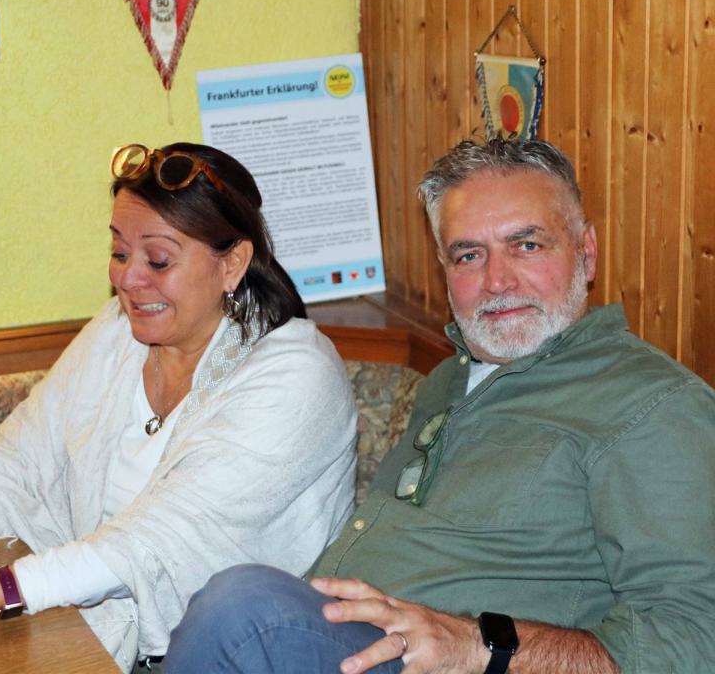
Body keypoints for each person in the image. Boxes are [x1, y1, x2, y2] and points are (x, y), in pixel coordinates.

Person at [163, 138, 715, 674]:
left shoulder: (655, 407)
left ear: (586, 252)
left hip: (462, 663)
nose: (497, 280)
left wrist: (480, 646)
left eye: (527, 245)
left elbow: (697, 639)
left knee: (243, 611)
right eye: (469, 255)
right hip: (346, 643)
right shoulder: (450, 379)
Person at [0, 142, 358, 673]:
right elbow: (19, 458)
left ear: (233, 263)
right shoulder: (117, 332)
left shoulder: (297, 378)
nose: (128, 279)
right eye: (120, 253)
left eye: (158, 260)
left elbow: (152, 542)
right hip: (83, 630)